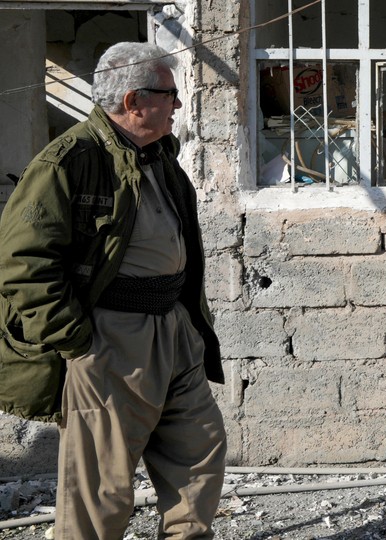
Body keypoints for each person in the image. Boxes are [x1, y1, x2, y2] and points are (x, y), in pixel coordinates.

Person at [0, 42, 226, 539]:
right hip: (110, 338)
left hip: (174, 327)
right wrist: (78, 342)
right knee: (102, 486)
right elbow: (23, 264)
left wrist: (187, 323)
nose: (178, 104)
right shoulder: (68, 161)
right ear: (133, 101)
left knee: (199, 451)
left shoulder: (159, 154)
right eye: (169, 94)